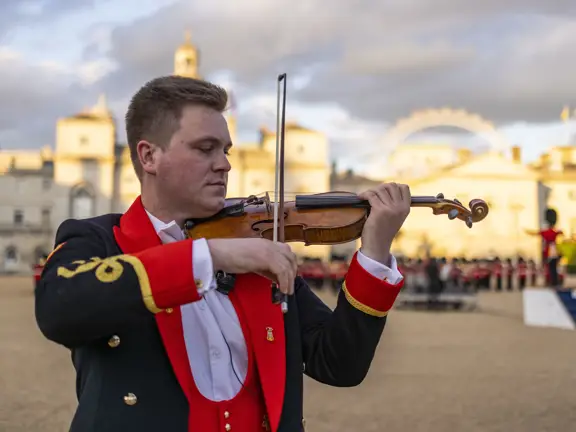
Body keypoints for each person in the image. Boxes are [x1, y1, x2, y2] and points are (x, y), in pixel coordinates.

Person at [34, 76, 411, 432]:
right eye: (205, 148)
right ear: (149, 157)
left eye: (226, 149)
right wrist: (209, 256)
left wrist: (374, 251)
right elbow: (58, 309)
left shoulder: (257, 247)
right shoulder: (98, 239)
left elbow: (340, 364)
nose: (225, 164)